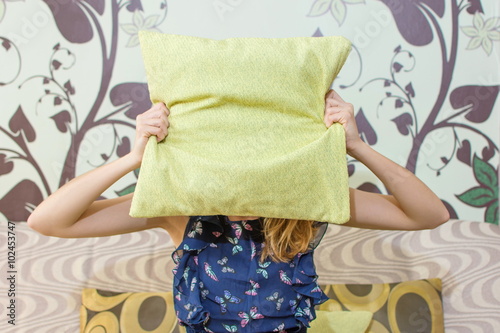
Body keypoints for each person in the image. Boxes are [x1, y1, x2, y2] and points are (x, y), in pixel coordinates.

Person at [27, 90, 450, 333]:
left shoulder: (308, 204)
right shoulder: (181, 210)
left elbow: (428, 215)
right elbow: (47, 221)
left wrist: (357, 146)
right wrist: (133, 159)